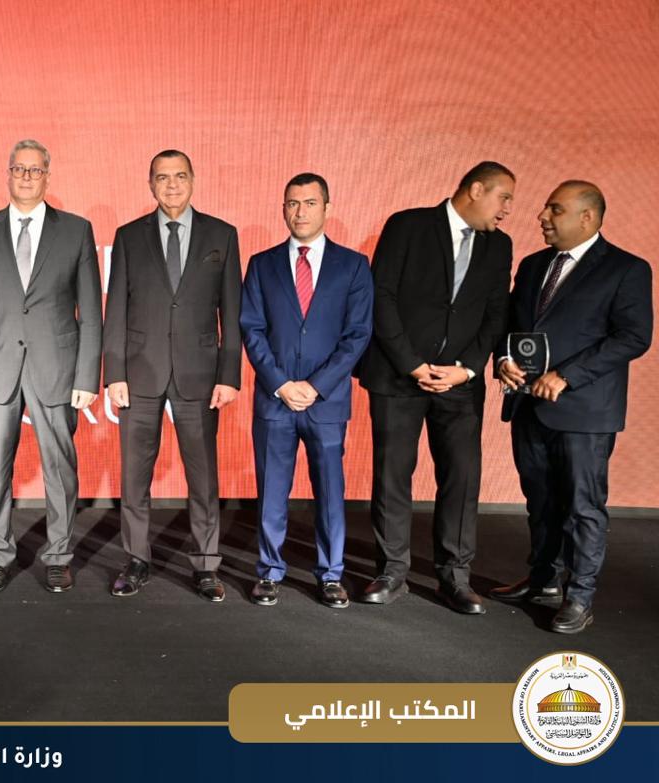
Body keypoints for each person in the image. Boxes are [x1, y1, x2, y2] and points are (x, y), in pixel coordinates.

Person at [492, 181, 652, 633]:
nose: (542, 216)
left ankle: (579, 596)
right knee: (540, 500)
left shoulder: (626, 269)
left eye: (555, 209)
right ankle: (543, 579)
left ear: (587, 217)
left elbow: (633, 336)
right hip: (529, 407)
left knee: (583, 506)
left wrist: (567, 375)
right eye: (545, 208)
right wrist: (503, 359)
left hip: (585, 412)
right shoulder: (532, 265)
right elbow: (509, 326)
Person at [357, 162, 515, 614]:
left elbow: (496, 314)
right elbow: (381, 296)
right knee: (392, 474)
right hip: (398, 376)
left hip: (459, 384)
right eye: (503, 197)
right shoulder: (408, 225)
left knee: (461, 478)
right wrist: (411, 364)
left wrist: (467, 369)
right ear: (476, 189)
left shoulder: (499, 245)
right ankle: (392, 571)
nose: (507, 209)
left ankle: (455, 577)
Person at [0, 139, 102, 594]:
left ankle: (58, 556)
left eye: (35, 170)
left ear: (47, 177)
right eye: (19, 169)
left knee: (59, 467)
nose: (26, 177)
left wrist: (87, 377)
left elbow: (91, 313)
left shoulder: (75, 231)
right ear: (8, 173)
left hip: (56, 367)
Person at [102, 150, 241, 602]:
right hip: (139, 372)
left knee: (203, 478)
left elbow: (232, 313)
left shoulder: (222, 235)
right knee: (134, 477)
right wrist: (114, 373)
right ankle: (136, 560)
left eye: (180, 176)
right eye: (162, 177)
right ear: (151, 184)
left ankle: (206, 564)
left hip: (200, 374)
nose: (172, 185)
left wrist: (229, 374)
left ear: (193, 180)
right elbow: (115, 309)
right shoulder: (129, 236)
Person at [240, 173, 373, 608]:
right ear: (283, 209)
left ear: (327, 208)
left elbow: (357, 335)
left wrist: (316, 386)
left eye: (310, 203)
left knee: (330, 493)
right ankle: (269, 571)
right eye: (292, 203)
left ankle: (331, 574)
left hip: (326, 402)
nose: (300, 212)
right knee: (271, 492)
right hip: (274, 400)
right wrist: (280, 383)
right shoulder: (261, 264)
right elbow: (252, 329)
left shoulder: (353, 265)